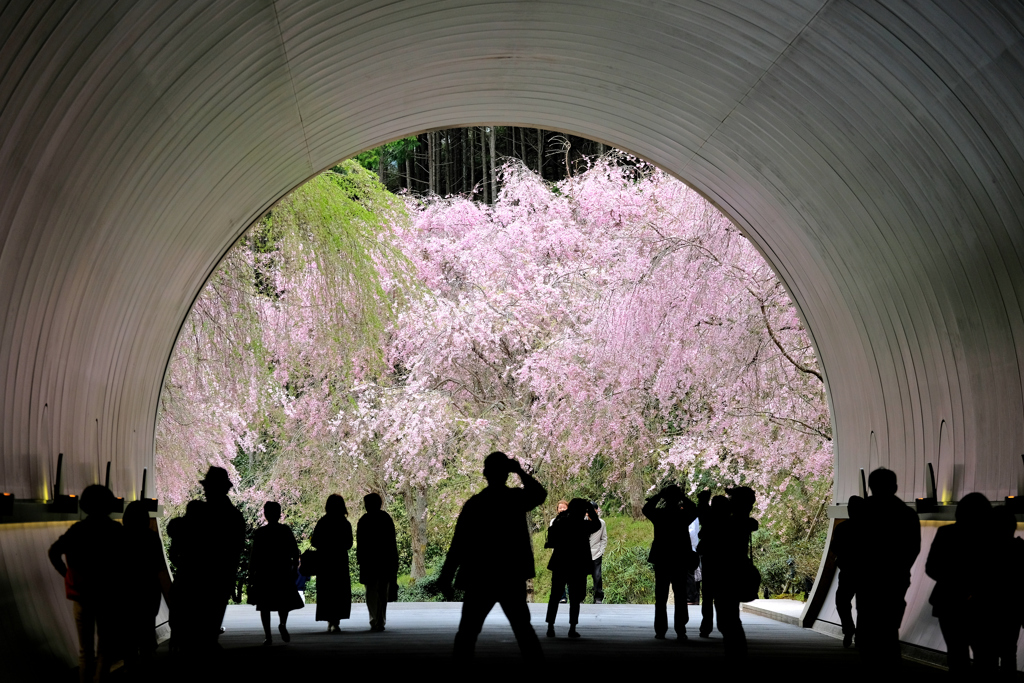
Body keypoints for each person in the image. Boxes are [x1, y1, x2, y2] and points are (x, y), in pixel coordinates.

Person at [439, 451, 547, 658]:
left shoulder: (475, 504)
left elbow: (458, 544)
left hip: (479, 576)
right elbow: (539, 494)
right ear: (507, 474)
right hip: (510, 574)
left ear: (484, 473)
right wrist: (520, 472)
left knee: (467, 632)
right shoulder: (515, 500)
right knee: (523, 630)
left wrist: (447, 575)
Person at [48, 485, 126, 683]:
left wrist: (67, 574)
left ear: (85, 505)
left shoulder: (78, 530)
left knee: (85, 653)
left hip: (82, 595)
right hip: (108, 597)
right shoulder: (116, 530)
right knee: (105, 649)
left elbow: (54, 552)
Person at [856, 467, 920, 665]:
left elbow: (856, 546)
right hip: (895, 578)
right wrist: (901, 568)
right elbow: (913, 548)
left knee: (867, 622)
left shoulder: (862, 513)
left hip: (867, 578)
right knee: (889, 626)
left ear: (870, 487)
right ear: (895, 487)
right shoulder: (907, 514)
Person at [924, 492, 991, 673]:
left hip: (948, 602)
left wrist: (954, 582)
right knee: (984, 654)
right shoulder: (990, 538)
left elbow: (931, 567)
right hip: (982, 603)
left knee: (956, 652)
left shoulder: (946, 533)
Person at [194, 466, 246, 649]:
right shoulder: (234, 516)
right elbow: (238, 546)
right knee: (214, 614)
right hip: (223, 573)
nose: (205, 491)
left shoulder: (199, 514)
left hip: (202, 573)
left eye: (208, 487)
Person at [643, 484, 698, 641]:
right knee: (680, 595)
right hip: (680, 558)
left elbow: (646, 509)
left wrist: (659, 495)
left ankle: (660, 630)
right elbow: (694, 509)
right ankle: (681, 629)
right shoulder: (683, 516)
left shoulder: (659, 515)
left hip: (662, 558)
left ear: (665, 498)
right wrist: (682, 497)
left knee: (660, 596)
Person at [121, 500, 172, 670]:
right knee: (146, 631)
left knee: (128, 636)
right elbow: (160, 571)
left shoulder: (119, 538)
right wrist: (170, 599)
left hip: (125, 594)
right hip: (148, 594)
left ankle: (129, 665)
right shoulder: (150, 539)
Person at [247, 501, 303, 645]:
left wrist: (251, 573)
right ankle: (282, 624)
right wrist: (294, 567)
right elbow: (294, 551)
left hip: (265, 572)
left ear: (265, 514)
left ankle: (268, 636)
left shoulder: (260, 532)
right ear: (279, 514)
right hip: (282, 570)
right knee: (283, 602)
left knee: (264, 605)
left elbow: (255, 556)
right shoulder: (285, 530)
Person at [545, 498, 600, 637]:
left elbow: (552, 532)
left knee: (554, 595)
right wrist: (590, 509)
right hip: (578, 565)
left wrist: (565, 513)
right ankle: (572, 628)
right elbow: (597, 524)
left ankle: (550, 626)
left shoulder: (561, 522)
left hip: (560, 563)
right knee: (575, 598)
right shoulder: (584, 525)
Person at [715, 486, 759, 657]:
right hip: (738, 570)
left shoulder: (729, 523)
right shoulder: (746, 523)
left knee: (727, 618)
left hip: (727, 573)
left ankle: (736, 653)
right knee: (731, 617)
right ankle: (736, 652)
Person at [983, 505, 1024, 676]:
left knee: (987, 656)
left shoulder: (983, 553)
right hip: (1012, 611)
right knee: (1009, 654)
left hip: (986, 610)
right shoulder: (1020, 550)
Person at [356, 492, 399, 632]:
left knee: (371, 592)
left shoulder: (364, 520)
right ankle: (380, 620)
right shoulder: (386, 518)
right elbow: (391, 542)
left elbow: (361, 543)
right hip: (384, 560)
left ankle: (375, 619)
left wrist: (360, 559)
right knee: (381, 592)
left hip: (369, 561)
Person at [311, 494, 353, 633]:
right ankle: (336, 621)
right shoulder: (345, 523)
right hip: (339, 560)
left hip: (325, 561)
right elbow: (349, 543)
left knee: (326, 591)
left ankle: (330, 620)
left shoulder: (322, 522)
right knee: (339, 591)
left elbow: (314, 542)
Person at [832, 495, 865, 648]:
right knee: (864, 606)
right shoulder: (871, 529)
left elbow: (835, 548)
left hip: (847, 571)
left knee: (842, 602)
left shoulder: (842, 528)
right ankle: (861, 635)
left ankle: (848, 628)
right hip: (867, 573)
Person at [696, 493, 730, 638]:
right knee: (722, 596)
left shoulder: (708, 519)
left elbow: (701, 512)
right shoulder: (729, 520)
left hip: (709, 559)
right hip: (725, 561)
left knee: (708, 595)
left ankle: (706, 627)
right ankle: (724, 626)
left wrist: (702, 500)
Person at [549, 500, 569, 603]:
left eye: (564, 507)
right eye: (560, 507)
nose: (562, 509)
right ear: (557, 510)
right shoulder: (553, 521)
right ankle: (562, 597)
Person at [588, 502, 608, 604]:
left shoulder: (602, 523)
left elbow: (604, 538)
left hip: (596, 553)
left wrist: (601, 551)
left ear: (596, 511)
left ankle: (598, 598)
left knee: (597, 576)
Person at [686, 517, 701, 605]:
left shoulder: (691, 518)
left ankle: (691, 599)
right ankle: (692, 599)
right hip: (693, 549)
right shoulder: (695, 517)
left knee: (689, 576)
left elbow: (691, 534)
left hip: (689, 549)